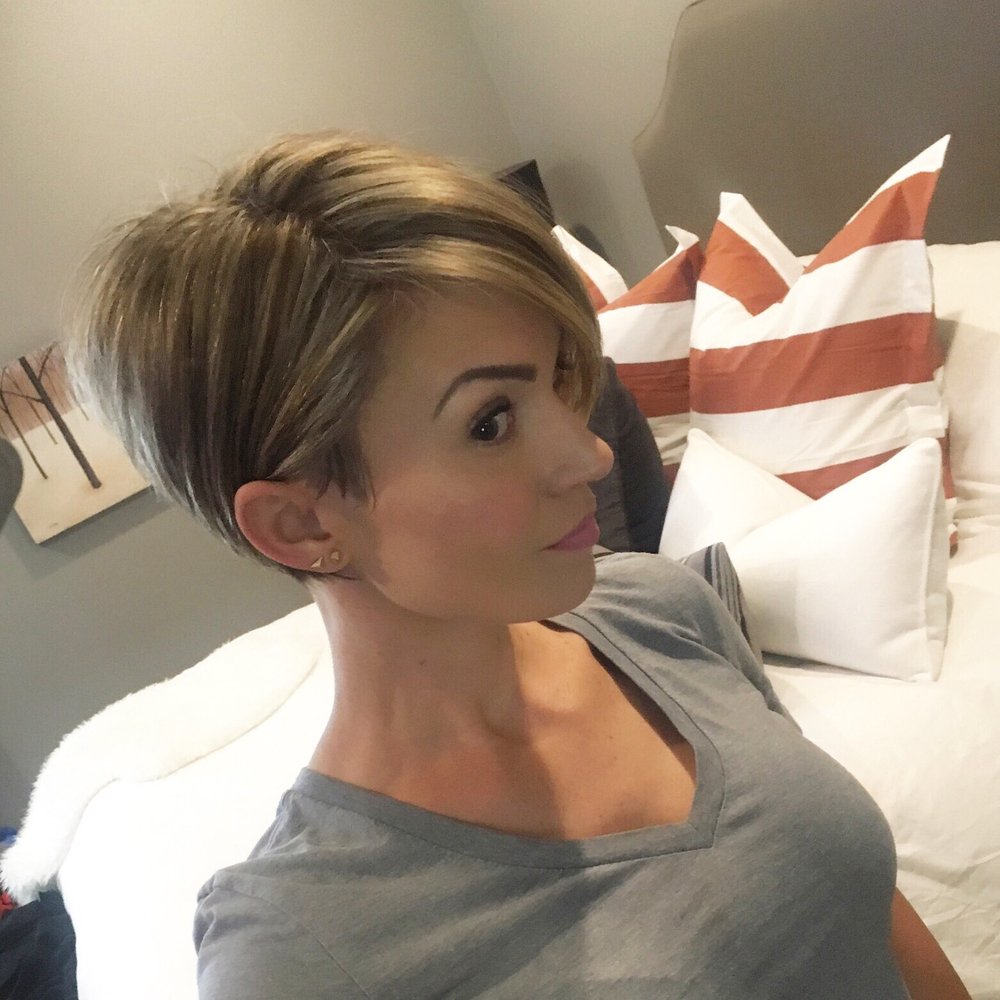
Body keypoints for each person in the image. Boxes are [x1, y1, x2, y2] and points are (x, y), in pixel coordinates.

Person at [68, 132, 970, 999]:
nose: (591, 455)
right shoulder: (300, 953)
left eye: (560, 380)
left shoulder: (663, 611)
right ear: (301, 524)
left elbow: (866, 915)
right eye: (490, 423)